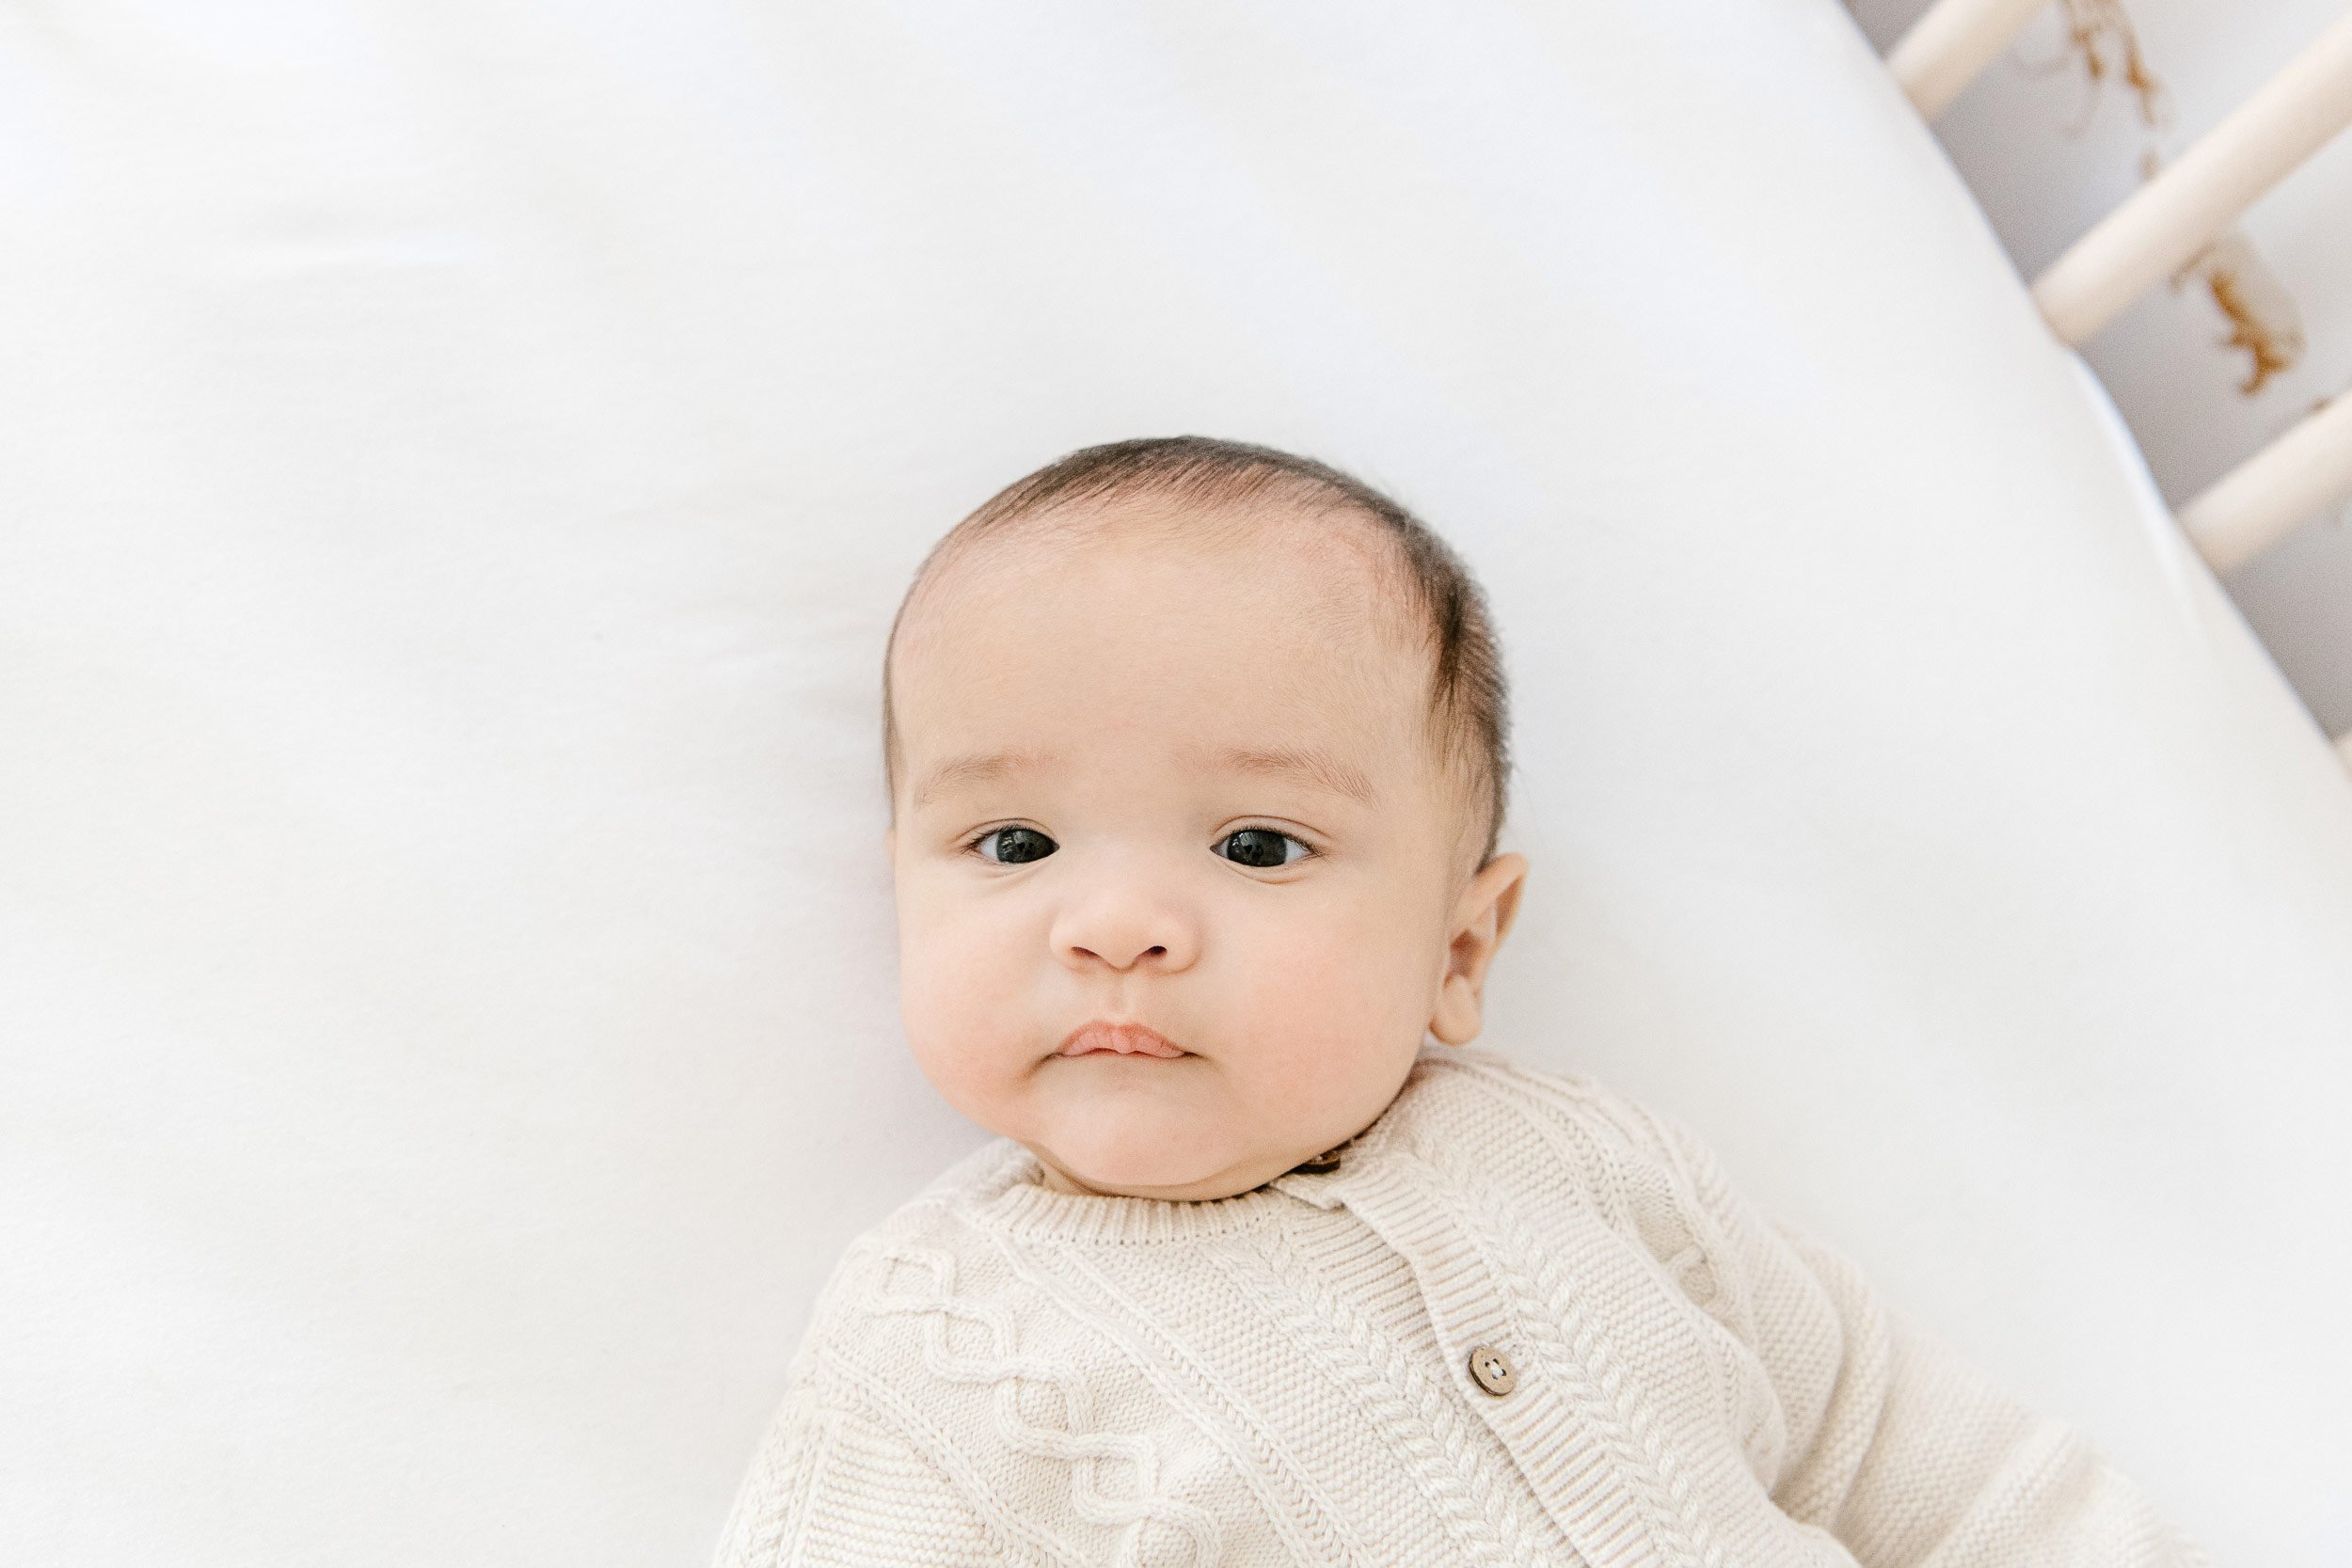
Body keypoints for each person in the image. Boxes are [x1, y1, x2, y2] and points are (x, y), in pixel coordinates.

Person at [711, 436, 2199, 1567]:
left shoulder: (1585, 1165)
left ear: (1460, 952)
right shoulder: (943, 1340)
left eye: (1257, 846)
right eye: (1015, 845)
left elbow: (1909, 1449)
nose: (1117, 929)